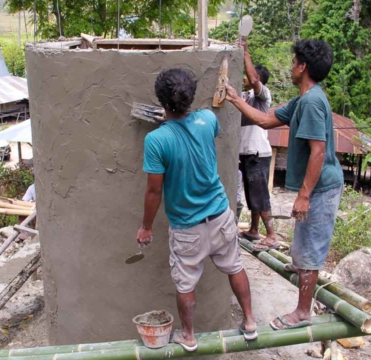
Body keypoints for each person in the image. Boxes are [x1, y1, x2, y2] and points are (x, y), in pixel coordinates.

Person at [223, 39, 343, 330]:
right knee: (303, 237)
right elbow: (265, 120)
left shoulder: (313, 102)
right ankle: (302, 268)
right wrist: (236, 100)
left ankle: (302, 312)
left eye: (293, 63)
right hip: (315, 186)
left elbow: (318, 151)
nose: (290, 68)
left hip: (322, 187)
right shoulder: (303, 100)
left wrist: (303, 196)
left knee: (312, 244)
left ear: (303, 67)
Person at [136, 68, 257, 352]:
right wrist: (173, 116)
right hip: (220, 215)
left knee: (186, 282)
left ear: (161, 101)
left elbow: (154, 191)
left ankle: (188, 336)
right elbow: (199, 124)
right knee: (235, 266)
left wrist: (146, 227)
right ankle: (250, 322)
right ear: (190, 98)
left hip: (187, 227)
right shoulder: (208, 119)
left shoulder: (156, 141)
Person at [237, 38, 279, 250]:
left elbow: (253, 79)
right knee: (251, 193)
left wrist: (245, 53)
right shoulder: (244, 95)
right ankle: (254, 230)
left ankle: (271, 235)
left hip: (257, 152)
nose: (246, 77)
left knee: (260, 194)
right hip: (246, 152)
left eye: (249, 74)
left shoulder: (262, 96)